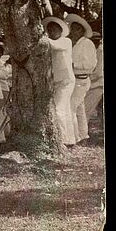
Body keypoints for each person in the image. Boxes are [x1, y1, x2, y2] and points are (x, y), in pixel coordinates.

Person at [43, 16, 76, 146]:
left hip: (66, 81)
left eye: (54, 29)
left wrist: (41, 38)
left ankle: (61, 140)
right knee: (65, 110)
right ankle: (69, 139)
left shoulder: (65, 41)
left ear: (61, 30)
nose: (52, 32)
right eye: (49, 29)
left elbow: (54, 45)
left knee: (59, 110)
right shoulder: (50, 44)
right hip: (58, 82)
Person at [65, 13, 97, 143]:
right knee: (79, 109)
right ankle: (83, 135)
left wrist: (74, 65)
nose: (72, 31)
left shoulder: (87, 43)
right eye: (71, 28)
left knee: (71, 108)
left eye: (75, 29)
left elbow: (92, 64)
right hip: (73, 79)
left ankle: (72, 138)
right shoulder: (73, 43)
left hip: (82, 80)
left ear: (81, 30)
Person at [83, 33, 103, 122]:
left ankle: (83, 134)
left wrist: (86, 77)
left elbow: (98, 72)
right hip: (92, 85)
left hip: (97, 85)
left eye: (96, 40)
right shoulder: (94, 50)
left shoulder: (100, 50)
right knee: (84, 112)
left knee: (86, 112)